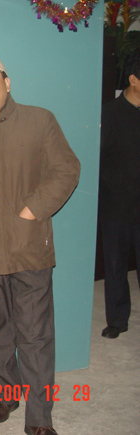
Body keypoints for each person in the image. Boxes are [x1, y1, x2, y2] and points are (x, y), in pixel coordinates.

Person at [0, 55, 80, 435]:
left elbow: (66, 169)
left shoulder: (39, 120)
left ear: (7, 83)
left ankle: (40, 419)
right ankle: (6, 395)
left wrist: (32, 210)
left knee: (35, 336)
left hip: (29, 248)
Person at [98, 52, 140, 339]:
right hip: (116, 206)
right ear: (134, 80)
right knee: (115, 266)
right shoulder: (109, 114)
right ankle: (117, 320)